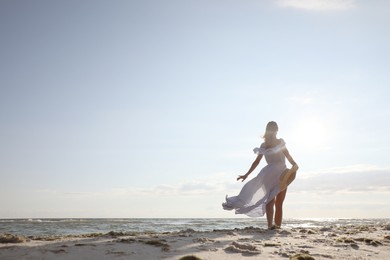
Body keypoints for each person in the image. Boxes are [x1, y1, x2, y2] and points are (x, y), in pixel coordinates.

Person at [222, 121, 298, 229]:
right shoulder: (268, 144)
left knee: (272, 201)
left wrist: (294, 165)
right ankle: (275, 226)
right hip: (277, 173)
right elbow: (257, 161)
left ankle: (271, 226)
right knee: (276, 202)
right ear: (276, 130)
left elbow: (287, 156)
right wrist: (246, 174)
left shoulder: (268, 144)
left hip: (274, 174)